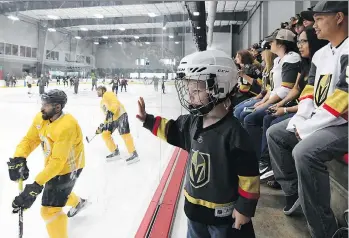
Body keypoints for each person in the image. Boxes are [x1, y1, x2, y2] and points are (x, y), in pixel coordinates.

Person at [137, 49, 259, 238]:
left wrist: (244, 209)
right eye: (188, 90)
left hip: (222, 219)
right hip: (193, 212)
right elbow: (170, 130)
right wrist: (148, 120)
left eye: (196, 90)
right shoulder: (190, 122)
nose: (190, 96)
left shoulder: (235, 134)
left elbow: (249, 177)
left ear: (219, 87)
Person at [267, 2, 348, 237]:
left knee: (304, 152)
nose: (314, 25)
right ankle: (298, 194)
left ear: (339, 17)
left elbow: (344, 97)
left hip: (343, 123)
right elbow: (309, 90)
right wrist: (301, 118)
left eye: (320, 19)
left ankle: (324, 231)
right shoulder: (321, 54)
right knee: (276, 133)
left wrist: (309, 126)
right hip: (324, 118)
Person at [7, 89, 88, 238]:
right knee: (59, 193)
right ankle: (78, 202)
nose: (42, 107)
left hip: (69, 168)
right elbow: (30, 140)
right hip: (53, 165)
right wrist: (19, 157)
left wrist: (36, 185)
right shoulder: (42, 118)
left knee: (50, 209)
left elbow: (58, 162)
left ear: (57, 107)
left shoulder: (67, 126)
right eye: (42, 103)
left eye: (46, 105)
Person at [259, 27, 328, 183]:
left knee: (272, 125)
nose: (300, 45)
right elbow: (297, 88)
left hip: (307, 110)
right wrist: (281, 106)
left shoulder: (318, 63)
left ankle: (271, 167)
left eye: (304, 41)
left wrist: (285, 109)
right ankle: (269, 166)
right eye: (298, 41)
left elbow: (317, 101)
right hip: (300, 107)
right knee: (267, 120)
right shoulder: (304, 65)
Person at [244, 28, 301, 158]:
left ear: (281, 43)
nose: (270, 45)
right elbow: (273, 88)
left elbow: (286, 89)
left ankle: (261, 157)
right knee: (244, 113)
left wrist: (266, 103)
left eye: (272, 42)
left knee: (250, 118)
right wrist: (263, 102)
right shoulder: (278, 60)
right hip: (278, 99)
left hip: (288, 101)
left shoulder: (292, 58)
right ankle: (259, 155)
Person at [233, 41, 276, 122]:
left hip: (252, 94)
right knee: (236, 109)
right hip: (258, 95)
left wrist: (243, 76)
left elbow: (259, 84)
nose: (260, 54)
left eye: (238, 57)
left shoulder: (253, 67)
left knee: (239, 111)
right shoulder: (265, 67)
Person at [96, 86, 138, 164]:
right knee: (105, 134)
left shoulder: (108, 94)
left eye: (99, 90)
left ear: (103, 90)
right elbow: (107, 115)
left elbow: (114, 102)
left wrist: (111, 111)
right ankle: (115, 151)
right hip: (113, 119)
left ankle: (133, 153)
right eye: (97, 90)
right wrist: (103, 126)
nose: (97, 91)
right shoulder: (101, 103)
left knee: (125, 134)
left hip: (120, 114)